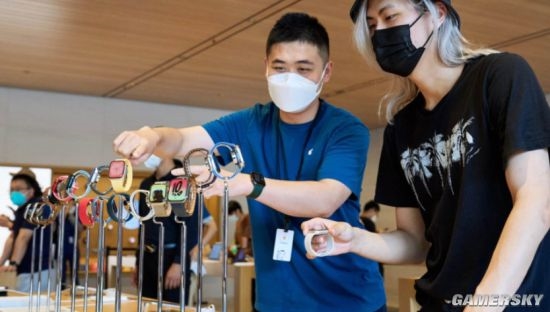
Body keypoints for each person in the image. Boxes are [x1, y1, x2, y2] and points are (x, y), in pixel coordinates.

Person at [113, 12, 386, 312]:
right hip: (274, 301)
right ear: (266, 67)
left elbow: (324, 199)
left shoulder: (345, 129)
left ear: (327, 71)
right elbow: (181, 138)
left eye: (304, 69)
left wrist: (247, 184)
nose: (290, 78)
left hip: (346, 300)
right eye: (280, 67)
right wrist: (153, 136)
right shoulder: (250, 123)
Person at [303, 1, 549, 311]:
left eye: (391, 16)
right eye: (373, 25)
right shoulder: (401, 128)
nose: (381, 32)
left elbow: (536, 201)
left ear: (437, 14)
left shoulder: (499, 76)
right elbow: (414, 242)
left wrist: (484, 303)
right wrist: (353, 239)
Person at [136, 158, 217, 304]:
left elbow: (191, 227)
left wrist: (179, 262)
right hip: (147, 257)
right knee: (146, 304)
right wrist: (138, 262)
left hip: (172, 257)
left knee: (172, 305)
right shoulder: (146, 184)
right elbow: (142, 225)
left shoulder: (184, 182)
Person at [0, 168, 52, 292]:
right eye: (12, 189)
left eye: (18, 189)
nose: (14, 193)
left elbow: (24, 236)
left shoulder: (37, 206)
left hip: (34, 269)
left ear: (31, 190)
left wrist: (13, 264)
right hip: (22, 268)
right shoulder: (21, 209)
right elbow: (13, 237)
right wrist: (2, 262)